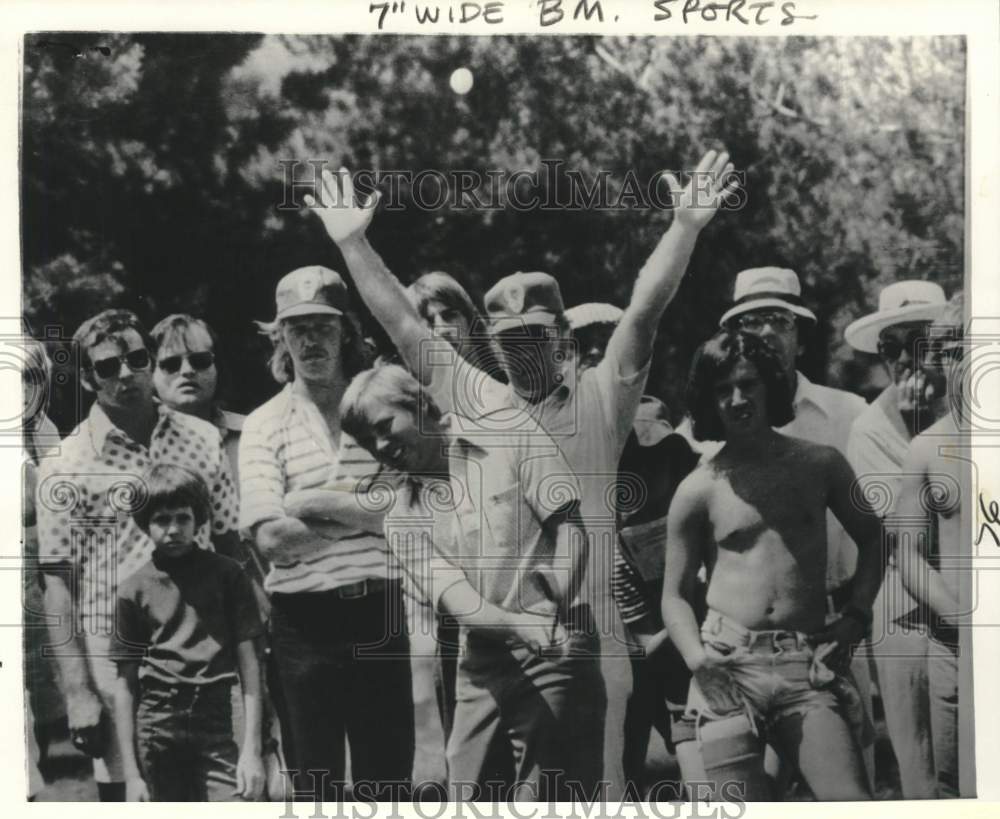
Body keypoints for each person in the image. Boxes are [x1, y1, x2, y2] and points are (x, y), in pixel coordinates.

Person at [303, 151, 739, 797]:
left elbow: (644, 315)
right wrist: (353, 242)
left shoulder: (600, 400)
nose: (523, 349)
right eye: (510, 338)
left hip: (589, 638)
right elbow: (402, 323)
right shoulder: (478, 400)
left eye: (537, 335)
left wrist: (684, 229)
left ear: (564, 337)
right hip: (490, 642)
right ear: (493, 341)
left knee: (594, 797)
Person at [339, 363, 599, 800]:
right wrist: (518, 626)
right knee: (465, 790)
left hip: (556, 639)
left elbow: (570, 527)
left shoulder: (510, 435)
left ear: (420, 404)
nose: (380, 446)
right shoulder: (401, 519)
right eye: (367, 441)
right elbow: (462, 605)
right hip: (481, 657)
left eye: (385, 426)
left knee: (544, 792)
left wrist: (556, 597)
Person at [661, 330, 883, 801]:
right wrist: (697, 661)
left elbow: (875, 538)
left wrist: (856, 616)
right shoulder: (698, 488)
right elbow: (675, 596)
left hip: (805, 665)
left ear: (772, 388)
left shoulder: (820, 464)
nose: (738, 400)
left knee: (853, 803)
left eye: (749, 384)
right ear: (707, 401)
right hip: (726, 664)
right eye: (723, 391)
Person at [35, 309, 241, 802]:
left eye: (135, 358)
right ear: (88, 379)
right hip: (120, 663)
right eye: (107, 367)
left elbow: (233, 548)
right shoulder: (64, 465)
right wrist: (78, 691)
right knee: (135, 796)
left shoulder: (203, 439)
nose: (125, 373)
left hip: (207, 652)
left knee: (226, 793)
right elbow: (58, 586)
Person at [238, 266, 414, 801]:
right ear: (281, 338)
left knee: (385, 788)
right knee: (318, 792)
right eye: (296, 328)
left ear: (346, 330)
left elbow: (406, 513)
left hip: (379, 614)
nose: (310, 339)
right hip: (303, 626)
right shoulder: (264, 424)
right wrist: (365, 513)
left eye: (322, 325)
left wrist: (312, 504)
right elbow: (270, 541)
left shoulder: (379, 409)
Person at [565, 302, 700, 795]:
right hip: (598, 643)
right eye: (585, 348)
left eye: (612, 344)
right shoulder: (549, 444)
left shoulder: (669, 451)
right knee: (611, 774)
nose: (599, 355)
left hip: (673, 637)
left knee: (706, 765)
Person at [844, 280, 947, 799]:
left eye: (920, 341)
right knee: (922, 764)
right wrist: (922, 428)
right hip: (906, 612)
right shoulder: (870, 429)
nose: (906, 358)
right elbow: (913, 536)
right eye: (892, 346)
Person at [111, 463, 265, 802]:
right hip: (158, 720)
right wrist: (133, 775)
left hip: (217, 716)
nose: (173, 530)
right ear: (144, 524)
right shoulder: (132, 589)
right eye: (162, 520)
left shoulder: (228, 575)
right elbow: (125, 683)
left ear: (198, 518)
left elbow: (249, 664)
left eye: (183, 517)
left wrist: (252, 750)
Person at [891, 293, 975, 797]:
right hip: (955, 647)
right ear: (942, 359)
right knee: (957, 788)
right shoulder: (926, 449)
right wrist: (965, 619)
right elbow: (909, 555)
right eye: (956, 350)